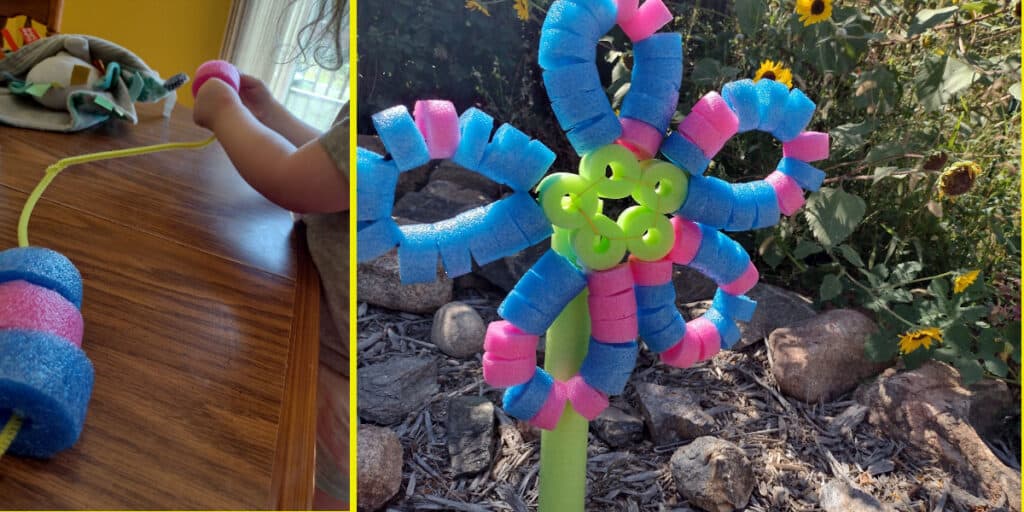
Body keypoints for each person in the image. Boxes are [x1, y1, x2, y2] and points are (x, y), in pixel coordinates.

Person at [191, 0, 348, 507]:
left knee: (314, 489)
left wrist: (223, 110)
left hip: (340, 371)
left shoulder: (397, 101)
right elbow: (332, 158)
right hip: (322, 333)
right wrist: (269, 114)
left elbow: (292, 181)